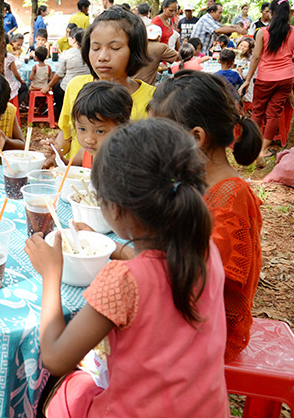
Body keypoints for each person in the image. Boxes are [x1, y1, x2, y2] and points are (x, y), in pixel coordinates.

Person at [29, 119, 229, 417]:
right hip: (207, 409)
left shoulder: (123, 281)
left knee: (65, 390)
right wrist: (119, 250)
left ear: (117, 209)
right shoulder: (203, 248)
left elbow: (56, 358)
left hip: (132, 411)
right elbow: (158, 271)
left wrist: (51, 274)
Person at [150, 70, 263, 362]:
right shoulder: (194, 180)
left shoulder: (230, 198)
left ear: (196, 138)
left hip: (210, 331)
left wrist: (124, 253)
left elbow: (198, 274)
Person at [55, 7, 154, 160]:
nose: (102, 57)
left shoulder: (153, 98)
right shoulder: (76, 86)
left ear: (134, 51)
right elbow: (67, 135)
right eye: (95, 48)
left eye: (114, 48)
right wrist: (55, 156)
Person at [240, 0, 294, 161]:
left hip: (265, 78)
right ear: (288, 14)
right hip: (286, 78)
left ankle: (255, 149)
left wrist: (248, 80)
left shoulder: (262, 32)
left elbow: (255, 58)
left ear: (271, 13)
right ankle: (263, 150)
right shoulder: (293, 31)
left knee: (258, 112)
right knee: (274, 114)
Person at [57, 80, 132, 168]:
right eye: (82, 129)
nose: (89, 140)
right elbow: (70, 167)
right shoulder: (86, 152)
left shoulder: (125, 160)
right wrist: (58, 158)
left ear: (122, 128)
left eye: (100, 131)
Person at [43, 27, 88, 121]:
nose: (68, 39)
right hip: (87, 86)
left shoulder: (67, 54)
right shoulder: (89, 52)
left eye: (69, 38)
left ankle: (61, 114)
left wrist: (48, 85)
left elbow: (59, 74)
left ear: (74, 40)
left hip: (69, 87)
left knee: (56, 88)